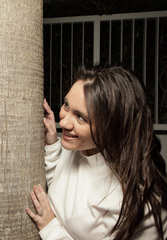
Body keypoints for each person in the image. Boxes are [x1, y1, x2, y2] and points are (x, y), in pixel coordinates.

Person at [26, 65, 167, 239]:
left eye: (80, 117)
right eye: (66, 105)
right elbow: (62, 182)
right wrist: (53, 145)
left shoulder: (132, 200)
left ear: (112, 127)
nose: (63, 123)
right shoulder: (83, 146)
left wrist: (52, 229)